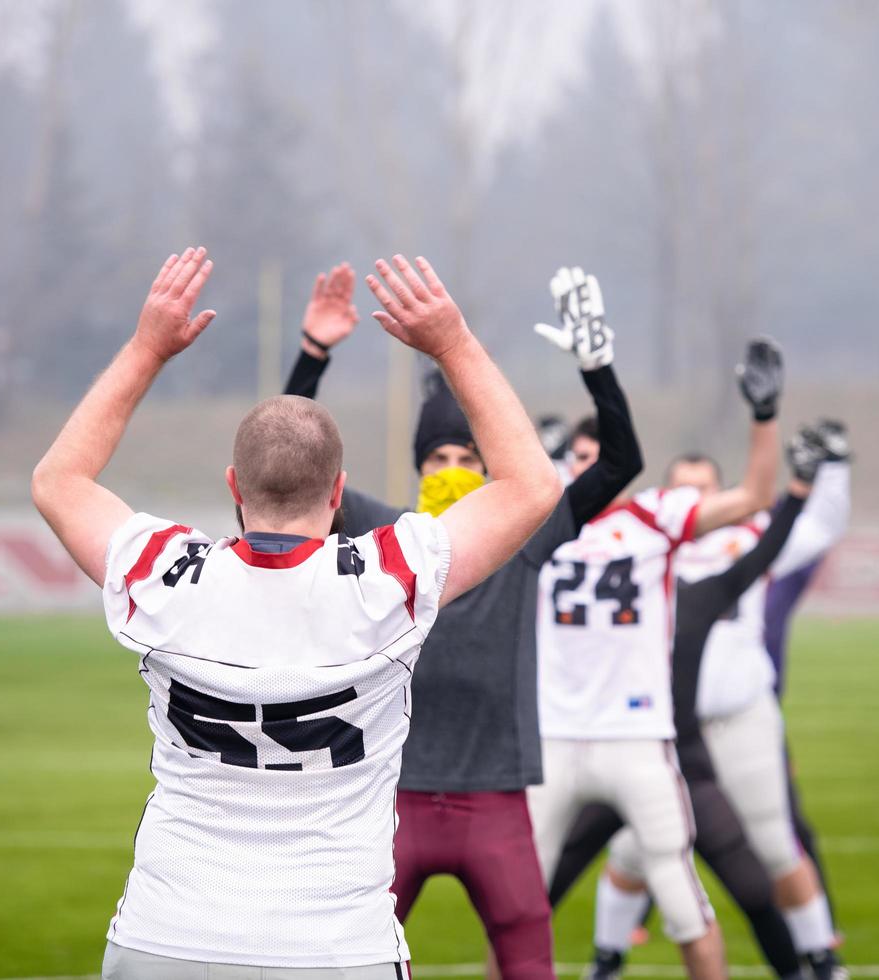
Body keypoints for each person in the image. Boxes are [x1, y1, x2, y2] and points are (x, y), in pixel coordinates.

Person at [31, 248, 560, 978]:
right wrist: (453, 343)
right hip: (335, 949)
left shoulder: (163, 574)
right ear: (339, 492)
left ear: (232, 486)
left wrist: (147, 348)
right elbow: (531, 486)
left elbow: (59, 480)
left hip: (165, 936)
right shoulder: (388, 579)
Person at [285, 262, 643, 978]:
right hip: (394, 795)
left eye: (466, 456)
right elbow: (290, 465)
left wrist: (597, 368)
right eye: (438, 456)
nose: (452, 466)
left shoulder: (527, 533)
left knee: (526, 960)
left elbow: (621, 461)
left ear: (489, 467)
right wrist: (313, 356)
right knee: (346, 962)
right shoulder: (381, 531)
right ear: (419, 467)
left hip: (495, 794)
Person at [555, 422, 854, 980]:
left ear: (723, 492)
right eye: (683, 487)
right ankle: (607, 958)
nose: (694, 498)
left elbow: (815, 528)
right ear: (665, 493)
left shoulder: (747, 535)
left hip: (738, 715)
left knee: (772, 841)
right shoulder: (644, 539)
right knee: (630, 850)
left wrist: (830, 471)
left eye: (705, 487)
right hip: (652, 725)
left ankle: (821, 957)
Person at [529, 338, 788, 980]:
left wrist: (764, 416)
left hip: (635, 737)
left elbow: (756, 494)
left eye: (596, 457)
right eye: (575, 459)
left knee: (682, 900)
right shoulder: (538, 520)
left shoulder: (656, 516)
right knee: (517, 909)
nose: (585, 469)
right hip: (555, 739)